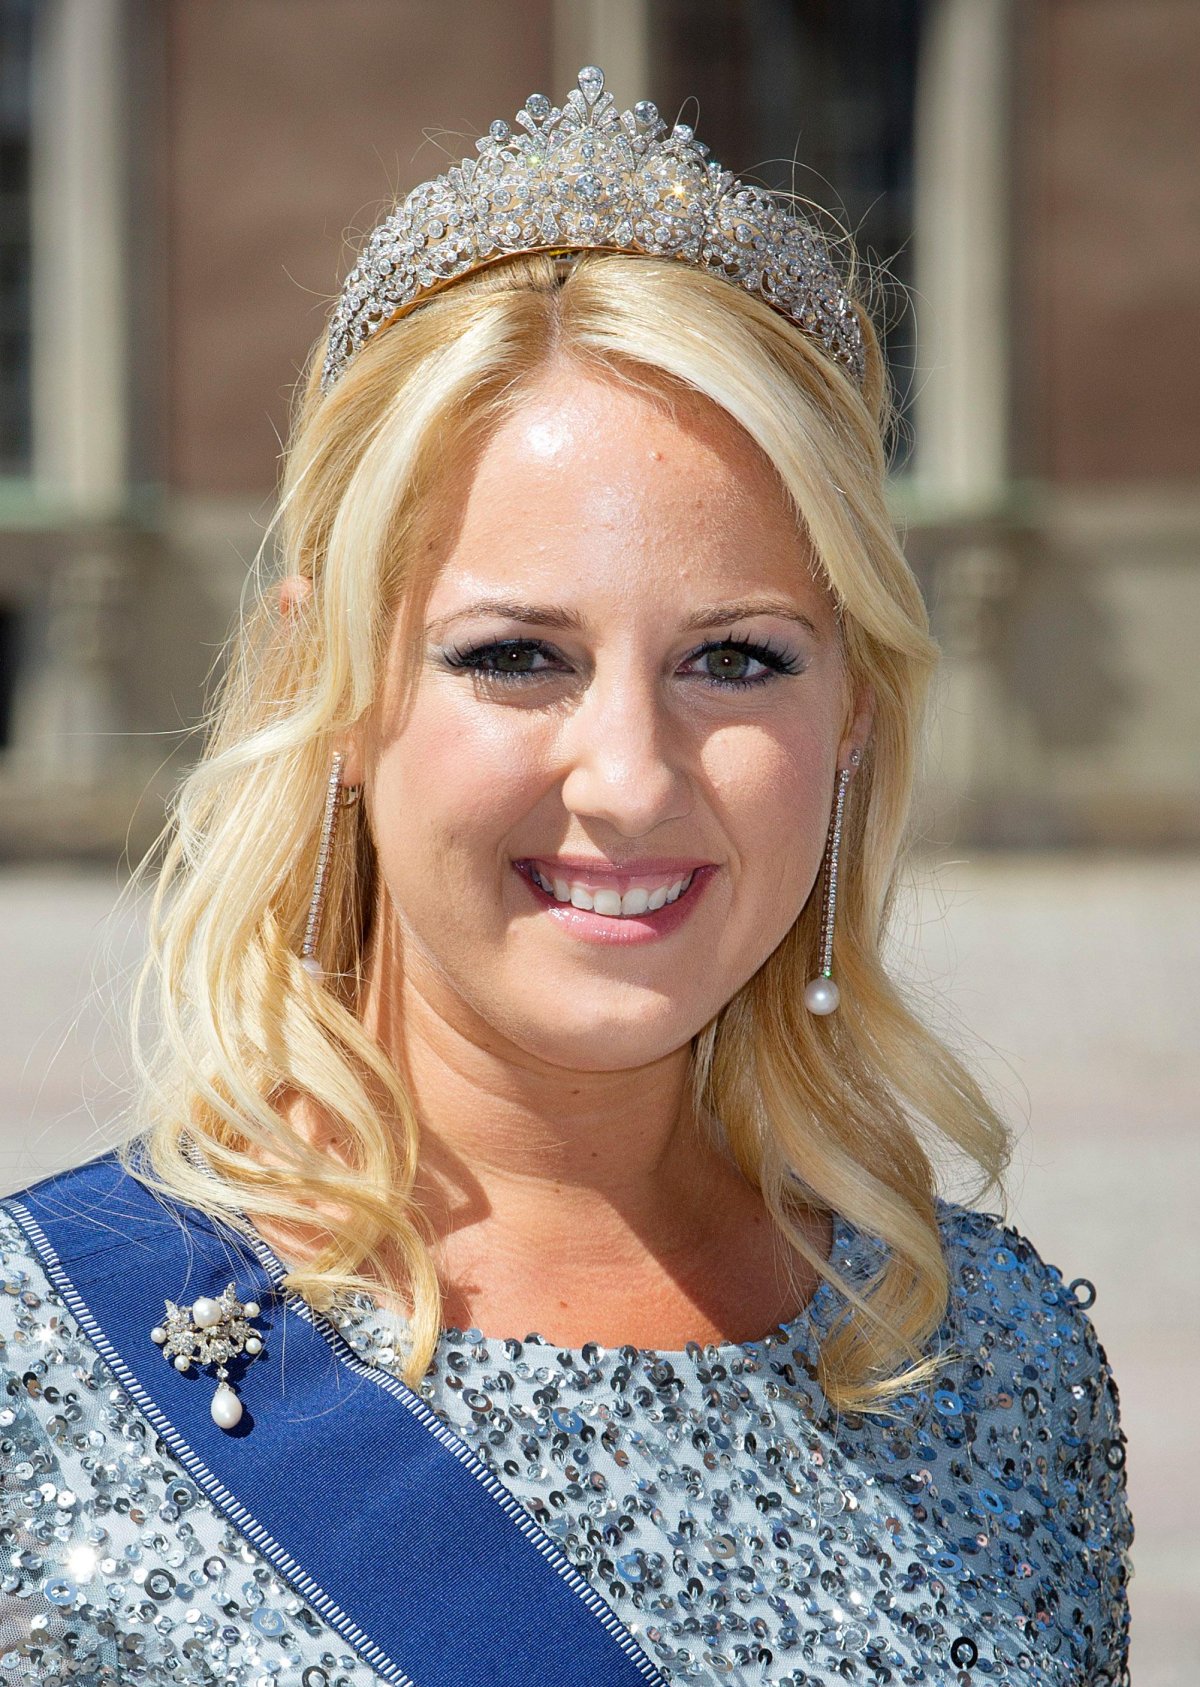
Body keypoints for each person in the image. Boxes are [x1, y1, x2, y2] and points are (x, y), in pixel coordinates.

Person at [0, 66, 1132, 1687]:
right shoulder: (43, 1367)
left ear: (854, 718)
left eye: (737, 659)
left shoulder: (998, 1365)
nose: (630, 778)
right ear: (332, 688)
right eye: (516, 656)